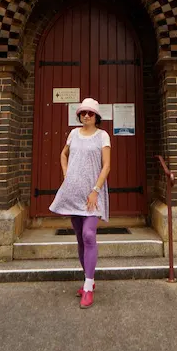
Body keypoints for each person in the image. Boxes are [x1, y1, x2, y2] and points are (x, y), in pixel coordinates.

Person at [49, 97, 111, 308]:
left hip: (92, 195)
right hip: (73, 192)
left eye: (90, 113)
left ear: (96, 117)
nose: (86, 116)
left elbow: (106, 166)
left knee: (88, 235)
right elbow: (63, 155)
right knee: (79, 238)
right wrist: (66, 174)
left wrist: (95, 190)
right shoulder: (73, 134)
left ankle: (88, 286)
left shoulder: (103, 136)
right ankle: (88, 280)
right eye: (82, 113)